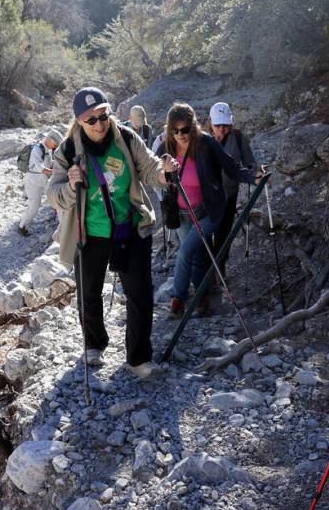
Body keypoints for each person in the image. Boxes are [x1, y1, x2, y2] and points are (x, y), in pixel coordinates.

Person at [47, 87, 179, 380]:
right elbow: (53, 195)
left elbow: (150, 168)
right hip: (89, 232)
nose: (99, 123)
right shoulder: (68, 151)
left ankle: (139, 358)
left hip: (129, 227)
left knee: (141, 294)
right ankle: (94, 344)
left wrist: (165, 172)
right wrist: (70, 185)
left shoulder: (127, 138)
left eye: (103, 115)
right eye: (91, 119)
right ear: (80, 122)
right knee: (89, 293)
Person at [159, 103, 258, 318]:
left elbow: (232, 167)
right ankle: (203, 300)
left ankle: (177, 300)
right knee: (195, 256)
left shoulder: (206, 143)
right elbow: (153, 170)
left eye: (184, 130)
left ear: (193, 127)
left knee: (185, 252)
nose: (180, 135)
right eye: (174, 130)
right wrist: (164, 172)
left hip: (208, 211)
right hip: (182, 213)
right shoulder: (166, 145)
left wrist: (253, 177)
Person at [207, 102, 256, 278]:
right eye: (218, 125)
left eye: (225, 125)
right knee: (206, 233)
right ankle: (209, 271)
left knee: (223, 232)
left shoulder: (237, 137)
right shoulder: (203, 139)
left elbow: (249, 161)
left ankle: (220, 268)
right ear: (210, 122)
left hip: (229, 194)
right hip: (207, 197)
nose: (221, 129)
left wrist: (253, 172)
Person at [18, 130, 62, 236]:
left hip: (44, 180)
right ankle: (22, 226)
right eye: (55, 144)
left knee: (57, 199)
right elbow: (40, 167)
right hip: (33, 181)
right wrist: (55, 171)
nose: (55, 146)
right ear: (50, 140)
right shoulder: (37, 149)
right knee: (34, 206)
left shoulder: (48, 150)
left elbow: (49, 163)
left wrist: (60, 163)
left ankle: (62, 225)